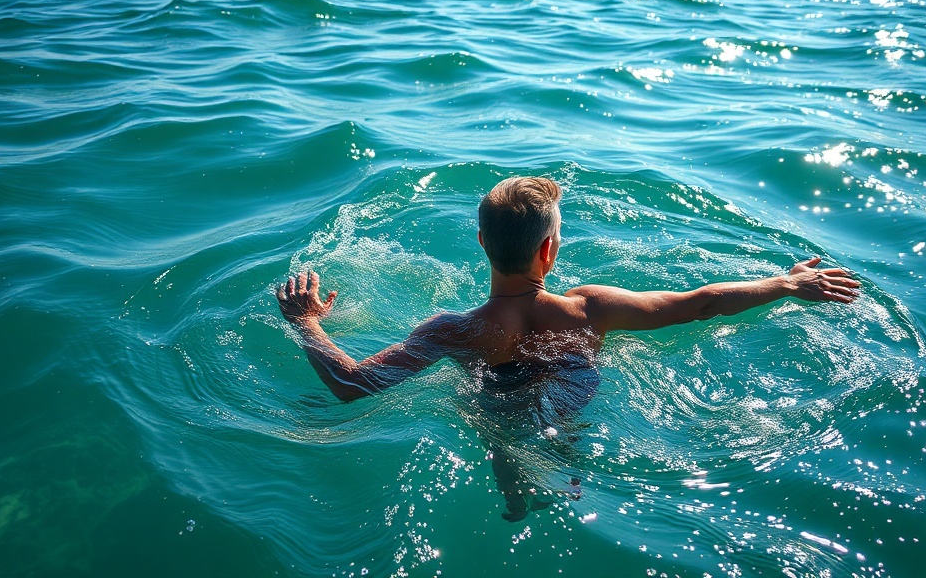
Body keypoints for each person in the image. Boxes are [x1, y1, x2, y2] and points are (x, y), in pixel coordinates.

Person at [276, 176, 860, 521]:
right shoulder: (588, 310)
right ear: (550, 249)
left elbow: (351, 383)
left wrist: (308, 323)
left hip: (495, 400)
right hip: (571, 394)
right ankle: (556, 480)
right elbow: (702, 301)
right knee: (554, 430)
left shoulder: (453, 330)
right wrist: (786, 284)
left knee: (500, 430)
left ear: (482, 242)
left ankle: (516, 495)